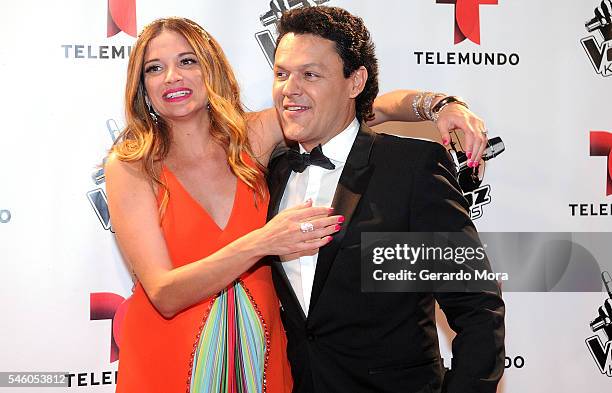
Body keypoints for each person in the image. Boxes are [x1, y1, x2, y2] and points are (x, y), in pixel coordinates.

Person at [105, 16, 490, 393]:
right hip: (169, 354)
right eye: (154, 68)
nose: (172, 77)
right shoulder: (131, 166)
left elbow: (366, 106)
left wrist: (440, 105)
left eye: (187, 61)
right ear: (142, 87)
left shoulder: (252, 140)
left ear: (211, 69)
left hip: (262, 354)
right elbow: (163, 293)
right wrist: (263, 242)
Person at [266, 6, 505, 393]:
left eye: (310, 74)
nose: (290, 88)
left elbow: (478, 310)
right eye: (281, 73)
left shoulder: (410, 168)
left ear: (355, 81)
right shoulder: (271, 171)